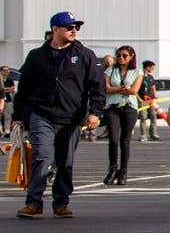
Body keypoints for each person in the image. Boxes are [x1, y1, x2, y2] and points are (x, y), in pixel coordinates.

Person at [12, 12, 105, 218]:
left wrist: (95, 113)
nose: (74, 31)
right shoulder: (36, 56)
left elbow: (97, 86)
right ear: (55, 29)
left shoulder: (84, 55)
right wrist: (18, 116)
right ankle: (34, 202)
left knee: (64, 161)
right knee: (42, 156)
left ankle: (61, 203)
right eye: (69, 27)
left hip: (70, 117)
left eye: (76, 28)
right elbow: (24, 88)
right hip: (41, 114)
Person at [101, 45, 143, 186]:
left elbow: (134, 90)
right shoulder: (110, 70)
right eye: (118, 55)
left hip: (129, 108)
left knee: (125, 141)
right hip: (113, 107)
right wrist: (122, 88)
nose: (121, 58)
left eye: (124, 55)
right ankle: (112, 169)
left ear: (131, 56)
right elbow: (105, 88)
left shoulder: (137, 72)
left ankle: (123, 171)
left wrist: (117, 90)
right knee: (113, 139)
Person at [137, 61, 159, 141]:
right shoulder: (140, 77)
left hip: (151, 100)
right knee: (143, 117)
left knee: (153, 116)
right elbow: (135, 89)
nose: (153, 69)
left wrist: (155, 95)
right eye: (152, 67)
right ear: (148, 67)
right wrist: (139, 99)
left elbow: (153, 87)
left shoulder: (151, 77)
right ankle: (143, 135)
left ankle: (153, 134)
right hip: (142, 100)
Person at [1, 65, 18, 131]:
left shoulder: (10, 80)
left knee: (8, 116)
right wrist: (6, 89)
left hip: (8, 100)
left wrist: (3, 89)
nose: (6, 72)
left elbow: (12, 89)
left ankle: (7, 130)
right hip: (1, 100)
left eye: (7, 70)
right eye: (4, 70)